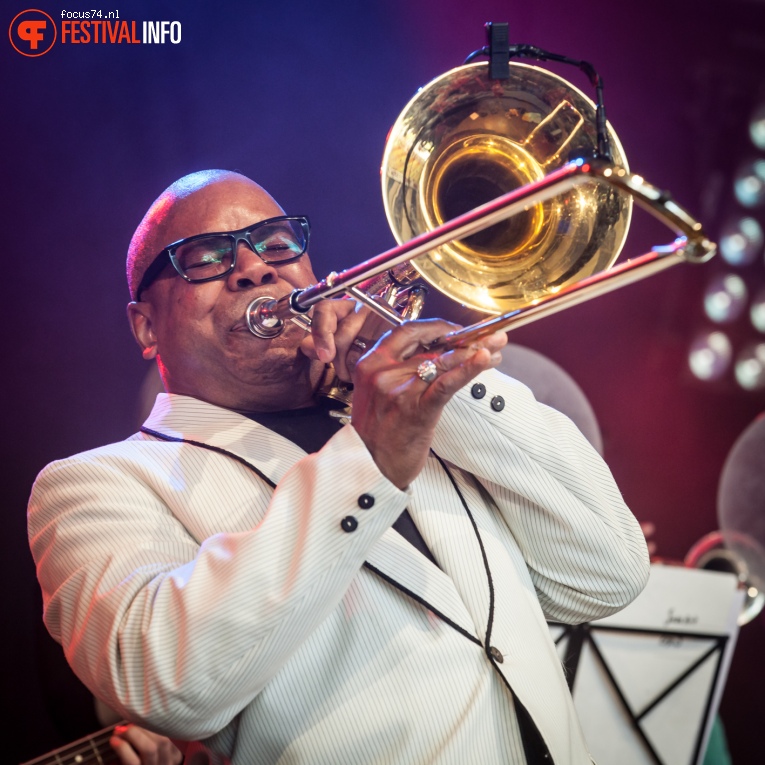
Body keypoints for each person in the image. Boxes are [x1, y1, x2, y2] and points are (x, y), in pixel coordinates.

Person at [28, 169, 650, 764]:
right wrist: (370, 456)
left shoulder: (423, 420)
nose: (254, 267)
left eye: (275, 243)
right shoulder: (97, 484)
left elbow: (607, 574)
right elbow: (167, 681)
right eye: (207, 257)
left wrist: (443, 382)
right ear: (146, 326)